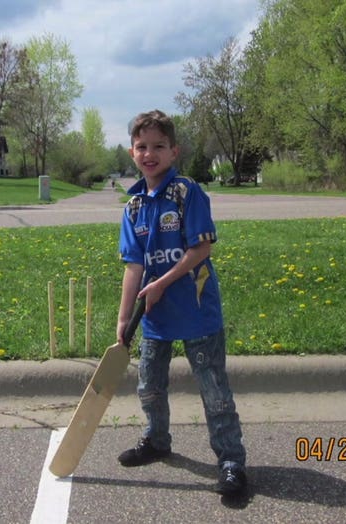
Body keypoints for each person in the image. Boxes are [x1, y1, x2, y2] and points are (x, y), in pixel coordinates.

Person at [116, 110, 247, 496]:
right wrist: (124, 321)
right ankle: (157, 441)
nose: (149, 153)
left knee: (214, 392)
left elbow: (200, 248)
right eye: (142, 147)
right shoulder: (134, 206)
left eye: (158, 146)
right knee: (148, 387)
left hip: (196, 312)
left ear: (174, 151)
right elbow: (133, 265)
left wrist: (162, 283)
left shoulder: (188, 193)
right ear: (132, 152)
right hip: (155, 318)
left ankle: (231, 462)